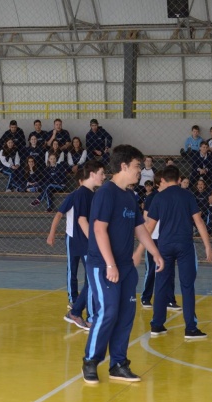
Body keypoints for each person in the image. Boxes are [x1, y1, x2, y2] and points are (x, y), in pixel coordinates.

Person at [81, 145, 164, 384]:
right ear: (124, 166)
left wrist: (155, 253)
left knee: (126, 314)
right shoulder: (106, 193)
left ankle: (118, 364)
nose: (140, 170)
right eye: (138, 166)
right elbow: (99, 230)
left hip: (126, 267)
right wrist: (110, 264)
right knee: (108, 311)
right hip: (103, 265)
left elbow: (140, 228)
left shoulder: (129, 196)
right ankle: (91, 360)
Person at [144, 164, 212, 340]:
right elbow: (198, 221)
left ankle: (157, 325)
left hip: (164, 245)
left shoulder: (159, 198)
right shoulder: (187, 195)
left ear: (163, 179)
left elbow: (149, 226)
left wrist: (142, 249)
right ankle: (190, 328)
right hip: (184, 245)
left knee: (161, 284)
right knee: (187, 285)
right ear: (179, 179)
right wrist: (207, 245)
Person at [47, 160, 106, 330]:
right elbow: (77, 219)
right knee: (79, 273)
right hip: (78, 241)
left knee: (91, 278)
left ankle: (77, 310)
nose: (104, 176)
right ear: (90, 175)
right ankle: (85, 312)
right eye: (102, 173)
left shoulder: (92, 194)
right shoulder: (78, 195)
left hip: (87, 241)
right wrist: (52, 233)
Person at [137, 169, 180, 311]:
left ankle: (169, 300)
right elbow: (146, 219)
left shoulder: (171, 196)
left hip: (166, 238)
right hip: (153, 238)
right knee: (151, 269)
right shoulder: (152, 198)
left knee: (169, 270)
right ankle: (146, 297)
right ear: (160, 182)